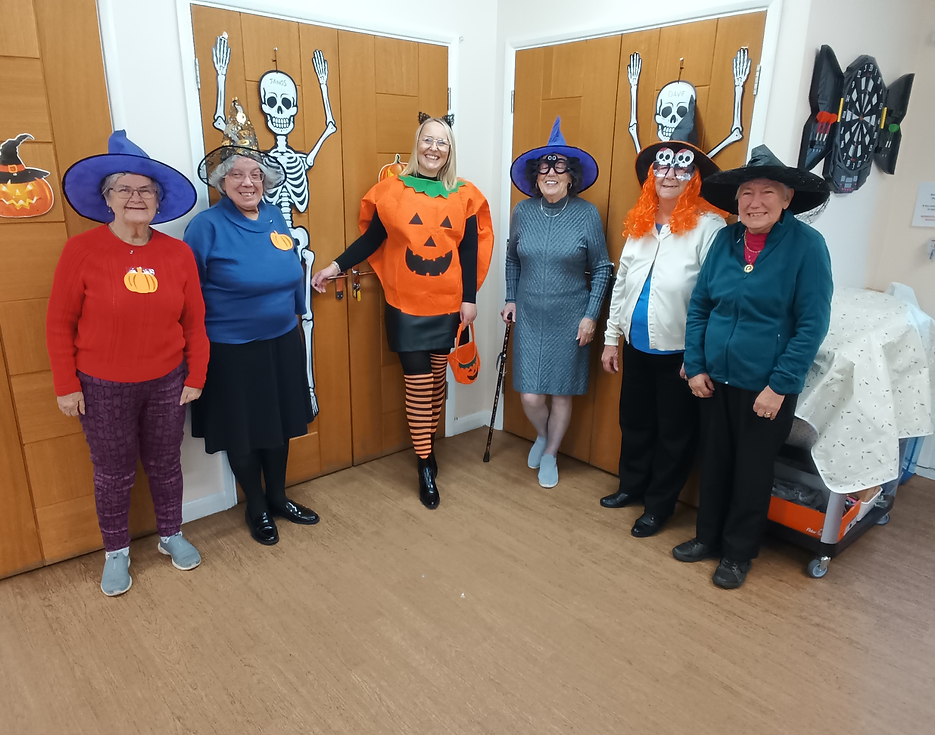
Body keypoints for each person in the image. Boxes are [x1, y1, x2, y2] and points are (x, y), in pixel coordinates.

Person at [48, 130, 207, 597]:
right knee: (113, 472)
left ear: (158, 201)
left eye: (146, 190)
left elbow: (196, 321)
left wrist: (195, 375)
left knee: (165, 464)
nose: (136, 197)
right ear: (107, 198)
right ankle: (116, 551)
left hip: (167, 381)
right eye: (125, 189)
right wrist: (66, 385)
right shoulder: (81, 252)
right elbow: (59, 324)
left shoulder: (177, 254)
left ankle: (170, 534)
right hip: (102, 386)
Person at [311, 114, 493, 509]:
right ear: (418, 145)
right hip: (405, 304)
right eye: (428, 140)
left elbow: (467, 249)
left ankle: (427, 447)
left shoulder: (463, 194)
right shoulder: (392, 191)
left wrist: (470, 299)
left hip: (447, 303)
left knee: (436, 382)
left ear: (450, 151)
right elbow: (373, 238)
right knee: (418, 381)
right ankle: (425, 463)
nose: (434, 148)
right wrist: (335, 266)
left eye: (442, 143)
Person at [673, 145, 833, 589]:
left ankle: (738, 554)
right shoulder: (726, 240)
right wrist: (696, 363)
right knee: (717, 461)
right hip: (714, 378)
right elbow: (701, 306)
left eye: (767, 192)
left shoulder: (808, 247)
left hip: (766, 386)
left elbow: (811, 325)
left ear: (786, 199)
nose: (755, 202)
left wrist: (780, 386)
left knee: (752, 470)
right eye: (747, 192)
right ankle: (707, 538)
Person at [184, 100, 319, 547]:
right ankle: (255, 504)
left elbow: (289, 269)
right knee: (242, 430)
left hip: (281, 340)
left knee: (278, 424)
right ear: (222, 182)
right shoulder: (205, 227)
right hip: (230, 348)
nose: (248, 182)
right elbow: (188, 296)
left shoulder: (277, 216)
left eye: (255, 175)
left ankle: (279, 495)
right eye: (237, 175)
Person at [599, 138, 727, 537]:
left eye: (680, 167)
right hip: (636, 346)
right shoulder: (640, 221)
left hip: (680, 353)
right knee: (634, 421)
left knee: (674, 434)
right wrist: (610, 336)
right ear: (651, 176)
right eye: (662, 167)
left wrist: (698, 355)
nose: (669, 174)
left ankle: (658, 506)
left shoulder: (710, 228)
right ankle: (631, 487)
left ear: (694, 177)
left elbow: (713, 298)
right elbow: (622, 282)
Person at [503, 117, 611, 488]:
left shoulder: (586, 214)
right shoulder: (523, 212)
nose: (551, 172)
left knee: (561, 393)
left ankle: (551, 454)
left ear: (571, 175)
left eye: (559, 165)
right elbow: (511, 258)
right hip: (530, 315)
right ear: (535, 176)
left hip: (571, 316)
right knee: (531, 395)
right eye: (544, 166)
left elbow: (601, 268)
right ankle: (543, 434)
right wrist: (510, 297)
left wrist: (591, 316)